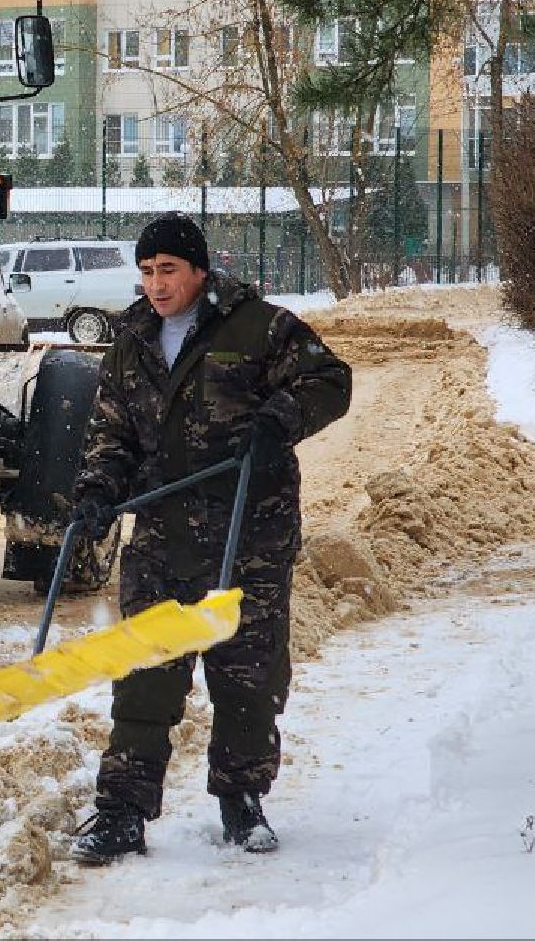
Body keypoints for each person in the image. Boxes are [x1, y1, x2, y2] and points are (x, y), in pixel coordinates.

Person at [66, 212, 352, 865]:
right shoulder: (131, 337)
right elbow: (112, 430)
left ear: (198, 271)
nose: (156, 285)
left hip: (248, 534)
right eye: (145, 272)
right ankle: (121, 812)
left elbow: (328, 381)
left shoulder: (259, 326)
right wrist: (96, 491)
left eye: (167, 270)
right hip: (161, 535)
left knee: (246, 675)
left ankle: (241, 801)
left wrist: (277, 420)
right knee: (144, 675)